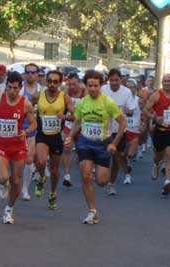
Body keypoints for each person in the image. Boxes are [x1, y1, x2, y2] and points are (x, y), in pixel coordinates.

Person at [66, 70, 126, 224]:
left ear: (101, 85)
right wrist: (70, 137)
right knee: (86, 176)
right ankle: (92, 211)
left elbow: (123, 123)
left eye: (96, 86)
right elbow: (78, 121)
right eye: (90, 85)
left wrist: (114, 143)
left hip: (103, 144)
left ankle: (99, 174)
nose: (93, 89)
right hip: (85, 142)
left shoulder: (108, 103)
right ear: (85, 86)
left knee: (101, 181)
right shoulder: (83, 102)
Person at [0, 71, 37, 224]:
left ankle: (9, 209)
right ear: (6, 87)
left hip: (18, 147)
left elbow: (34, 124)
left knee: (16, 181)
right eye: (9, 87)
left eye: (15, 88)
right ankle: (4, 184)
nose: (12, 91)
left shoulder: (25, 104)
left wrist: (26, 131)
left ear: (20, 88)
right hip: (1, 145)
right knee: (3, 177)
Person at [31, 70, 75, 210]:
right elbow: (27, 110)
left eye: (55, 82)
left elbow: (75, 116)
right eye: (49, 81)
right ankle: (42, 177)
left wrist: (65, 117)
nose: (52, 84)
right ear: (46, 81)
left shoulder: (65, 98)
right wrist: (32, 120)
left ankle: (52, 194)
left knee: (55, 170)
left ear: (60, 83)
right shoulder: (38, 96)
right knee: (42, 160)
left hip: (56, 137)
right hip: (42, 135)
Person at [101, 69, 135, 195]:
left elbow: (131, 110)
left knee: (116, 158)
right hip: (103, 129)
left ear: (121, 80)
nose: (114, 83)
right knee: (102, 156)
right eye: (112, 80)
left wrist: (120, 109)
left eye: (116, 80)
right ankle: (100, 174)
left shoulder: (126, 92)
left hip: (119, 130)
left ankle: (111, 183)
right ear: (108, 80)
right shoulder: (103, 90)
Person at [20, 63, 43, 201]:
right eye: (27, 72)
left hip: (33, 129)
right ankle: (7, 182)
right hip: (16, 128)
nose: (30, 74)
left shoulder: (42, 90)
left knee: (29, 159)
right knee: (15, 161)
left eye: (33, 72)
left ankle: (25, 189)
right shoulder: (18, 88)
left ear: (38, 74)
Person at [61, 72, 85, 187]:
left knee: (83, 152)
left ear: (79, 83)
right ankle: (67, 175)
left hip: (82, 126)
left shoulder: (86, 93)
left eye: (74, 84)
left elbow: (80, 116)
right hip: (69, 125)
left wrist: (65, 116)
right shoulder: (66, 94)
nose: (71, 87)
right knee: (67, 148)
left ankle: (86, 173)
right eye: (69, 84)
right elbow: (73, 113)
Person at [122, 79, 144, 184]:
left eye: (132, 87)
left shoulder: (139, 100)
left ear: (135, 89)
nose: (129, 89)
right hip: (123, 130)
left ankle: (128, 165)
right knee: (124, 154)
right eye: (127, 87)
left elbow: (145, 112)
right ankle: (127, 175)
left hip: (134, 130)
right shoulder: (120, 100)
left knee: (130, 154)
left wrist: (143, 124)